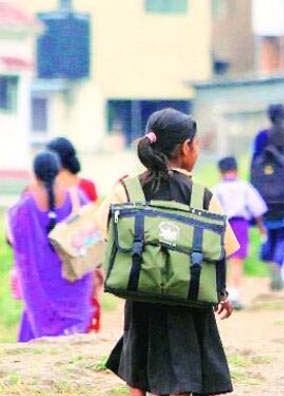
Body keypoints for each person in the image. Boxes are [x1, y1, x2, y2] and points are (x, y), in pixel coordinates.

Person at [97, 108, 239, 396]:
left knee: (139, 362)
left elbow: (104, 229)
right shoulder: (202, 195)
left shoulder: (128, 189)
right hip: (189, 297)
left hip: (141, 291)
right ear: (186, 147)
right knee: (184, 366)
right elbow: (223, 249)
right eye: (196, 144)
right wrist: (221, 293)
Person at [6, 151, 94, 342]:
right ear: (58, 172)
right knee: (71, 347)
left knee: (36, 349)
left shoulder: (22, 209)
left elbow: (12, 240)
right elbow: (92, 240)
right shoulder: (77, 199)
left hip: (39, 294)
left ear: (35, 175)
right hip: (75, 290)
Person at [46, 136, 103, 333]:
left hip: (56, 257)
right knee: (85, 308)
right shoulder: (87, 186)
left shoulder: (48, 188)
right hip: (82, 255)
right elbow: (94, 227)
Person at [252, 104, 284, 291]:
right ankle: (277, 262)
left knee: (269, 233)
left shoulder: (260, 137)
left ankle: (271, 263)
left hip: (263, 195)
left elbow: (253, 166)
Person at [212, 157, 268, 310]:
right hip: (240, 224)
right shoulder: (244, 187)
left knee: (220, 260)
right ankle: (234, 295)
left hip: (221, 224)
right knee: (237, 260)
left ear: (220, 171)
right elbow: (257, 208)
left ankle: (220, 293)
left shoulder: (217, 189)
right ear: (236, 170)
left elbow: (211, 209)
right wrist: (261, 227)